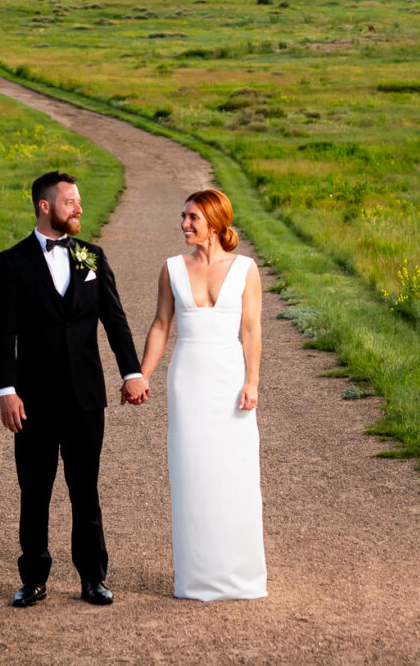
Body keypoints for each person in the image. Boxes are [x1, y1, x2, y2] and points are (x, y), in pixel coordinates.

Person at [0, 170, 147, 608]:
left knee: (86, 489)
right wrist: (7, 390)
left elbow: (114, 320)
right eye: (70, 202)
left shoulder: (92, 257)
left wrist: (130, 372)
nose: (78, 209)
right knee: (34, 492)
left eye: (78, 202)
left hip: (85, 398)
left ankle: (93, 578)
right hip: (32, 401)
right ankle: (34, 578)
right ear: (45, 206)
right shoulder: (12, 262)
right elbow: (2, 333)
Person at [137, 188, 268, 601]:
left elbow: (251, 329)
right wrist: (141, 375)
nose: (184, 225)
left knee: (235, 472)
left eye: (192, 218)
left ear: (215, 220)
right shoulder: (172, 268)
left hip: (231, 378)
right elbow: (161, 325)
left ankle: (241, 576)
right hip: (188, 379)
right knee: (192, 471)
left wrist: (252, 381)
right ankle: (196, 577)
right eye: (183, 217)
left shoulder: (246, 269)